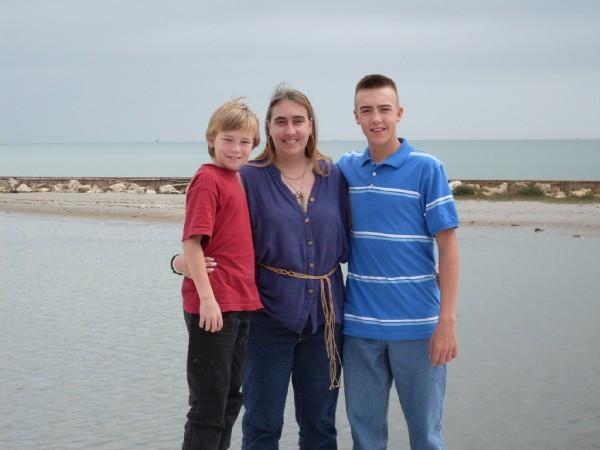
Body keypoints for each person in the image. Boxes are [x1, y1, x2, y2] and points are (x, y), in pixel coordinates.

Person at [173, 85, 348, 449]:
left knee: (320, 425)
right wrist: (179, 264)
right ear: (267, 128)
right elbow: (209, 234)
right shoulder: (245, 176)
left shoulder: (334, 177)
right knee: (261, 424)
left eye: (298, 121)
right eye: (280, 121)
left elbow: (360, 239)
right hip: (266, 315)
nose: (290, 130)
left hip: (326, 320)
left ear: (311, 125)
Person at [337, 74, 460, 450]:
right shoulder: (345, 170)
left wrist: (446, 322)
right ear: (355, 116)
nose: (377, 119)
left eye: (384, 109)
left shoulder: (427, 168)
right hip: (359, 328)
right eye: (367, 110)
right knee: (366, 438)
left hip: (419, 329)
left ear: (399, 113)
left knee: (426, 437)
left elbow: (449, 248)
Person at [177, 99, 263, 450]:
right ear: (212, 139)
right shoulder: (207, 179)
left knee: (230, 400)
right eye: (229, 139)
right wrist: (208, 300)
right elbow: (192, 244)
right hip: (212, 307)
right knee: (208, 407)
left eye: (245, 142)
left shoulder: (237, 180)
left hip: (241, 303)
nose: (236, 148)